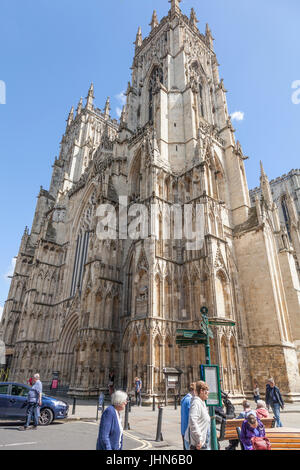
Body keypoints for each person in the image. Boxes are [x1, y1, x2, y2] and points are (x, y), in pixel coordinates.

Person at [184, 381, 211, 450]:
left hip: (201, 442)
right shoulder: (196, 403)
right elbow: (192, 420)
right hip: (196, 443)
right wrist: (199, 438)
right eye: (207, 390)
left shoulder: (202, 402)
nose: (208, 392)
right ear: (201, 391)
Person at [180, 383, 195, 450]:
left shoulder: (185, 399)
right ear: (194, 390)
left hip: (184, 429)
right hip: (188, 431)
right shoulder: (189, 400)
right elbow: (193, 417)